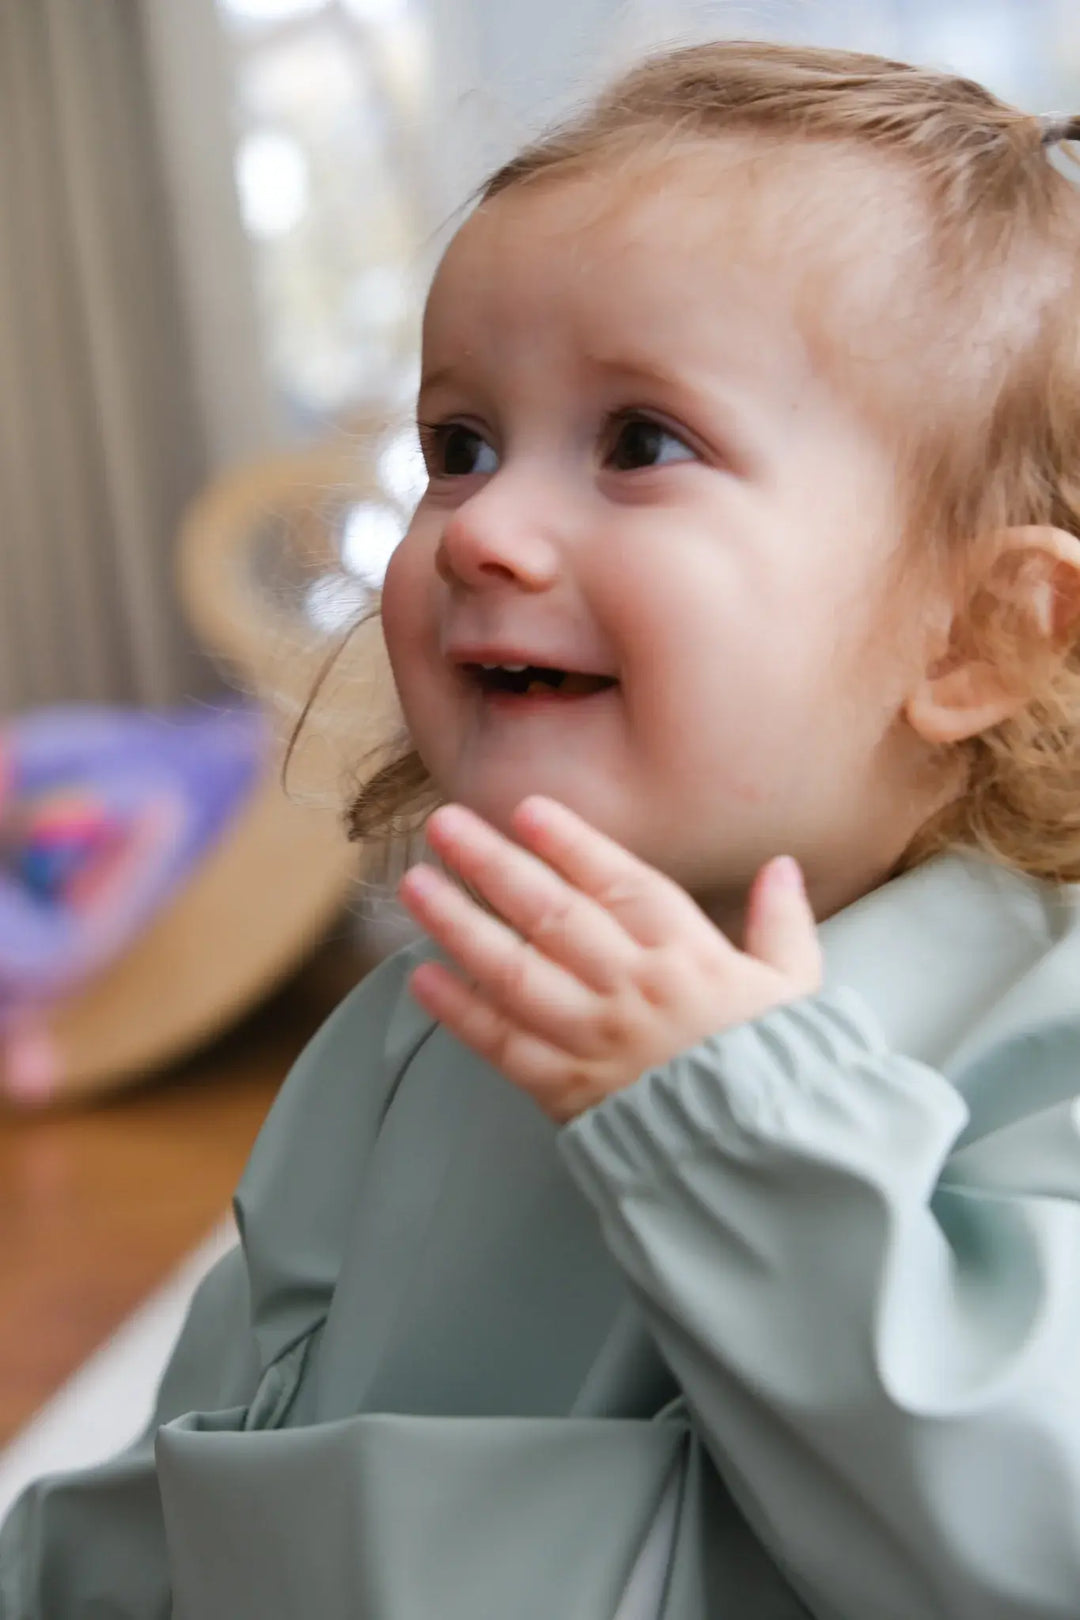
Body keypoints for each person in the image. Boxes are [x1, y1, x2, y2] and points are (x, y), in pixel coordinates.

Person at [5, 37, 1080, 1620]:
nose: (485, 529)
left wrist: (730, 1124)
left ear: (974, 636)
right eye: (459, 446)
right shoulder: (420, 1030)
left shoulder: (1038, 1034)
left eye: (642, 443)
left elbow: (1030, 1528)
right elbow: (216, 1453)